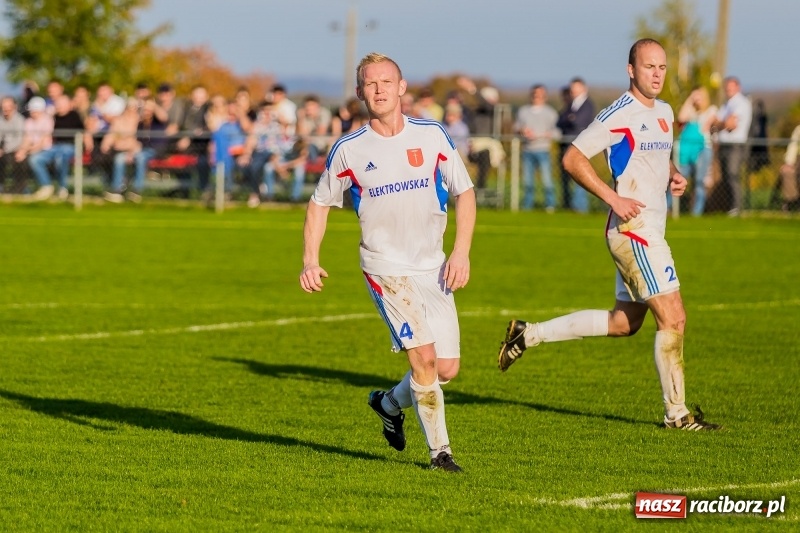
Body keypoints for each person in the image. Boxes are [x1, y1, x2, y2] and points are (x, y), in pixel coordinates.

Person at [497, 38, 721, 432]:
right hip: (633, 230)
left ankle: (529, 335)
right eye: (648, 66)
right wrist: (613, 197)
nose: (656, 74)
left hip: (650, 227)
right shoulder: (619, 113)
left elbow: (656, 153)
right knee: (674, 317)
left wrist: (673, 175)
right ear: (630, 70)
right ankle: (678, 415)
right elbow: (572, 158)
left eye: (662, 68)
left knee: (624, 323)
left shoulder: (666, 111)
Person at [299, 52, 476, 471]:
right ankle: (441, 454)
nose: (377, 90)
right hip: (385, 268)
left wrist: (461, 251)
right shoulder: (349, 149)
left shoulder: (432, 135)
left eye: (385, 82)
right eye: (369, 84)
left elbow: (464, 193)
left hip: (434, 265)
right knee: (424, 361)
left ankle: (388, 403)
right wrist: (310, 259)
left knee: (446, 368)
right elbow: (319, 204)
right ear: (360, 92)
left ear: (401, 88)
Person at [515, 84, 560, 211]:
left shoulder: (550, 112)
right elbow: (516, 128)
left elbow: (557, 131)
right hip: (527, 150)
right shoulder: (523, 111)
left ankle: (550, 205)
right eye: (535, 94)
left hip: (543, 150)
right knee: (528, 181)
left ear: (544, 96)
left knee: (547, 181)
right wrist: (523, 131)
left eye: (540, 94)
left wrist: (548, 134)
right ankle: (527, 205)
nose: (537, 97)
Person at [711, 76, 752, 216]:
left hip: (735, 145)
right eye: (726, 87)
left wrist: (720, 124)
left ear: (738, 87)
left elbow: (730, 124)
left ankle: (736, 207)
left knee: (732, 175)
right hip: (724, 145)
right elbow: (715, 123)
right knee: (726, 177)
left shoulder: (741, 103)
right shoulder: (727, 104)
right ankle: (729, 207)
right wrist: (721, 123)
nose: (728, 90)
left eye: (731, 87)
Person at [674, 86, 717, 216]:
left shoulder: (711, 110)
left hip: (703, 149)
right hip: (686, 151)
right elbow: (681, 118)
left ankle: (696, 213)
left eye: (699, 96)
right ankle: (668, 209)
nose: (697, 99)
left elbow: (709, 124)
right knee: (678, 178)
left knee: (699, 181)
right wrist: (690, 100)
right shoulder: (692, 112)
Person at [557, 77, 595, 212]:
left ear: (583, 89)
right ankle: (567, 205)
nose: (573, 91)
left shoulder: (587, 105)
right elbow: (561, 120)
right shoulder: (571, 105)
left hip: (580, 146)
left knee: (580, 177)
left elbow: (578, 122)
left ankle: (580, 207)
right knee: (566, 178)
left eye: (576, 88)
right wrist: (569, 118)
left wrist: (570, 119)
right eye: (572, 88)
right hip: (566, 144)